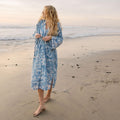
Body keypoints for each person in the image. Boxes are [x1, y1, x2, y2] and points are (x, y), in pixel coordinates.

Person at [31, 5, 63, 116]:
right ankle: (41, 105)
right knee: (39, 76)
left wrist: (51, 38)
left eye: (44, 12)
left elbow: (60, 39)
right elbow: (33, 33)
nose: (42, 13)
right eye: (42, 12)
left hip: (50, 55)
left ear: (50, 13)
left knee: (50, 75)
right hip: (39, 54)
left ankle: (48, 94)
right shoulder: (40, 23)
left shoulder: (56, 25)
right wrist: (36, 35)